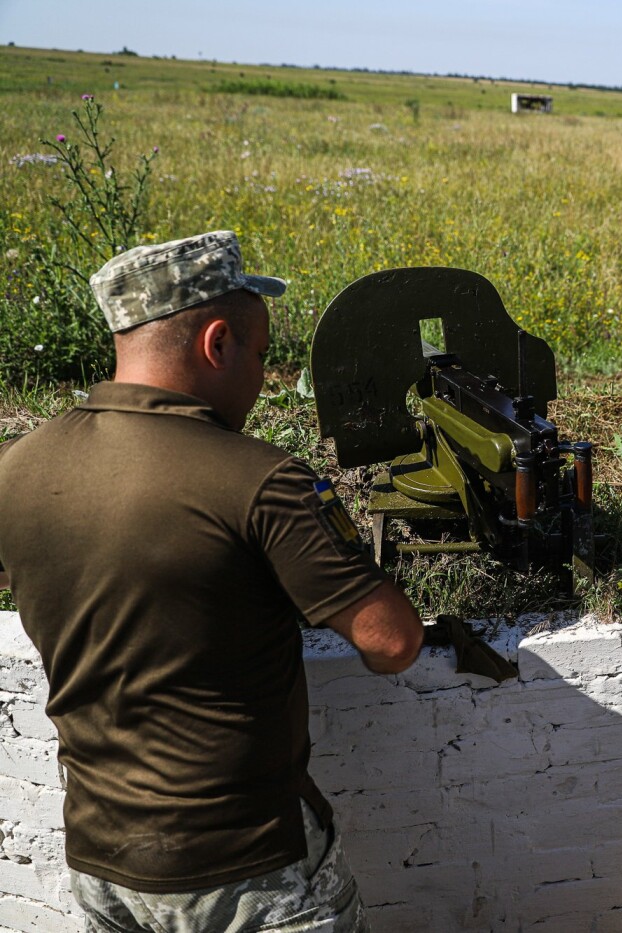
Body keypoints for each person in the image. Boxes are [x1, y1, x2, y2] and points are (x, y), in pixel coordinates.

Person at [0, 231, 423, 932]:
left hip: (103, 862)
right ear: (217, 342)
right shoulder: (259, 480)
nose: (261, 378)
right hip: (247, 866)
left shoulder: (15, 471)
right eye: (259, 356)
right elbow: (393, 640)